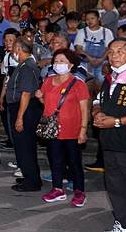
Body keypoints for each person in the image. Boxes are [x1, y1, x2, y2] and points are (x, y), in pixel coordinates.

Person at [93, 38, 126, 232]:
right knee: (117, 188)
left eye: (121, 50)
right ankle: (125, 226)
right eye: (111, 51)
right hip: (110, 143)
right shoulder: (109, 78)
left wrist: (117, 121)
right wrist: (97, 114)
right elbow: (98, 102)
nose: (115, 54)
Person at [35, 49, 89, 207]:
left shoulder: (78, 84)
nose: (58, 64)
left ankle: (80, 191)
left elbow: (84, 108)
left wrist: (83, 130)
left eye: (62, 61)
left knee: (74, 161)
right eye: (56, 61)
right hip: (53, 129)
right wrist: (40, 98)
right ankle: (57, 189)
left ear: (71, 65)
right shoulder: (48, 81)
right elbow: (49, 106)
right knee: (55, 160)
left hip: (72, 129)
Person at [7, 37, 43, 192]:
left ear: (19, 49)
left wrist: (20, 117)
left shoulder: (28, 66)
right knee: (22, 146)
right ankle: (28, 175)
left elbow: (26, 93)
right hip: (21, 107)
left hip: (25, 109)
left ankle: (32, 181)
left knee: (26, 146)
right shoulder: (23, 65)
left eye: (14, 48)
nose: (12, 52)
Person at [74, 10, 114, 86]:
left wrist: (101, 59)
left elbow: (110, 48)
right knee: (86, 84)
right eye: (87, 19)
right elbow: (78, 49)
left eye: (92, 18)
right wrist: (90, 58)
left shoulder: (107, 32)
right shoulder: (82, 32)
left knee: (101, 82)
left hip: (102, 62)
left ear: (98, 18)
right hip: (86, 62)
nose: (90, 21)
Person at [0, 28, 21, 150]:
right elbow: (6, 79)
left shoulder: (24, 56)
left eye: (11, 40)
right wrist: (1, 97)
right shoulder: (6, 57)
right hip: (10, 96)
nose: (8, 43)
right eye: (6, 40)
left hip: (22, 97)